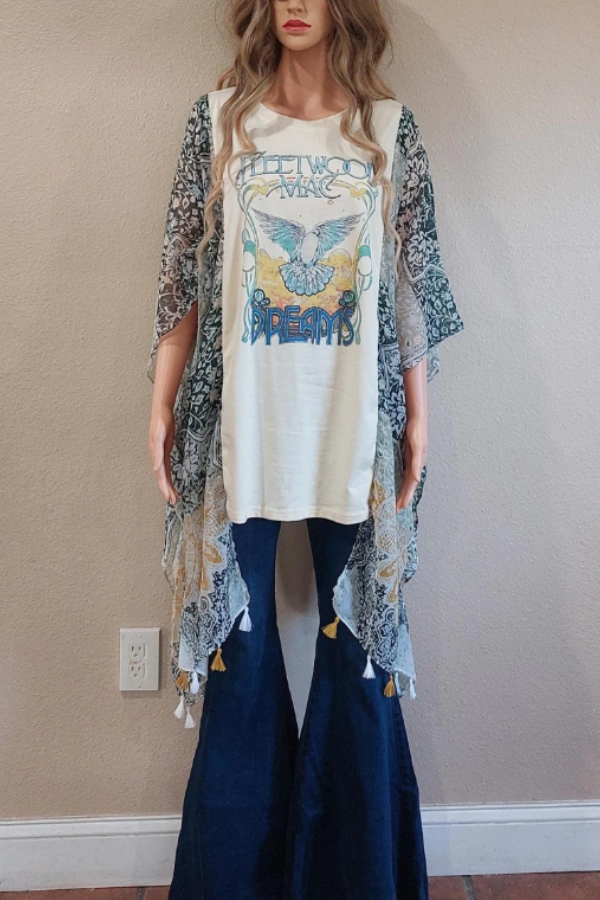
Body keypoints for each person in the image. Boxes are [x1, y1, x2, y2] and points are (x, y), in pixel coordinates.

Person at [146, 1, 464, 897]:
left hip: (356, 436)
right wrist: (161, 402)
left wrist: (419, 418)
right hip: (234, 437)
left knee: (358, 663)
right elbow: (179, 274)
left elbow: (413, 284)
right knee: (238, 668)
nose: (295, 2)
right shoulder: (218, 124)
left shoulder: (388, 132)